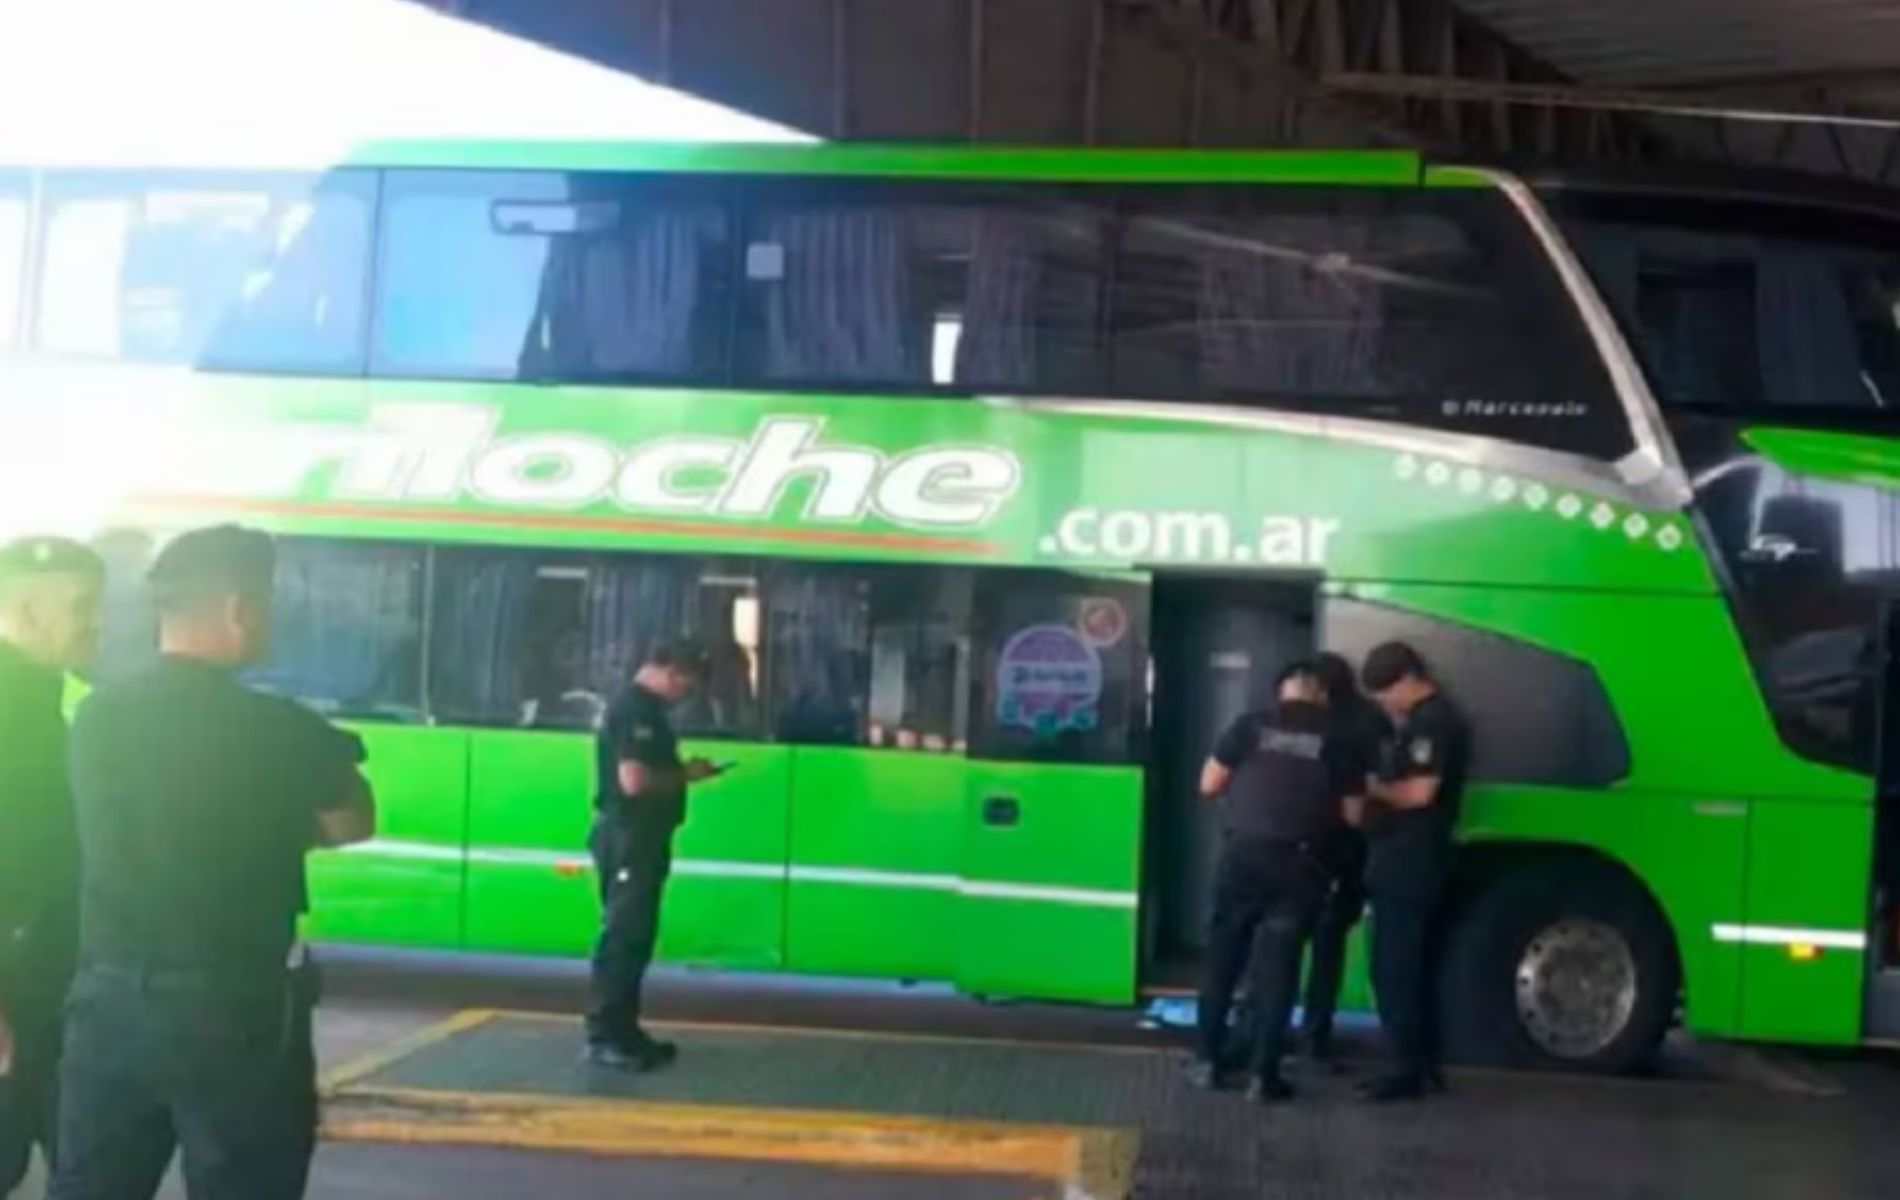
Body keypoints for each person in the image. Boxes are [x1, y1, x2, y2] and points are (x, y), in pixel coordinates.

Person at [49, 525, 376, 1200]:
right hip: (236, 1009)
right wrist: (277, 826)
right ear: (237, 608)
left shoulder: (96, 719)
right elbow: (353, 821)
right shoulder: (281, 727)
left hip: (109, 1003)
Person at [1187, 662, 1362, 1104]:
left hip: (1244, 856)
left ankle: (1206, 1061)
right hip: (1300, 865)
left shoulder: (1250, 726)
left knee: (1223, 959)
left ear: (1281, 693)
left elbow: (1209, 783)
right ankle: (1263, 1077)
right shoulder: (1339, 740)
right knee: (1279, 968)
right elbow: (1354, 815)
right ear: (1322, 696)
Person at [0, 537, 104, 1194]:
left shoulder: (42, 699)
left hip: (48, 986)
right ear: (28, 612)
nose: (97, 623)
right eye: (82, 607)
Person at [585, 640, 724, 1070]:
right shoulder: (635, 709)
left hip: (641, 837)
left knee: (637, 937)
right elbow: (635, 780)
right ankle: (606, 1035)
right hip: (630, 837)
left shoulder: (646, 710)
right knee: (623, 935)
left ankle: (626, 1032)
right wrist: (687, 774)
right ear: (671, 671)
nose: (686, 695)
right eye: (688, 685)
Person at [1357, 640, 1470, 1103]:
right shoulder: (1426, 721)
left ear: (1406, 678)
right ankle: (1417, 1064)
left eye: (1387, 694)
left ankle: (1405, 1069)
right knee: (1405, 965)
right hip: (1409, 861)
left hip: (1410, 864)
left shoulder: (1434, 723)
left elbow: (1421, 794)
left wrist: (1371, 788)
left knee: (1394, 968)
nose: (1387, 705)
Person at [1295, 652, 1388, 1067]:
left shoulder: (1312, 725)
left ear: (1322, 689)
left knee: (1279, 941)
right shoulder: (1373, 721)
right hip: (1353, 849)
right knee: (1328, 946)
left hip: (1308, 847)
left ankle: (1258, 1030)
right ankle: (1315, 1035)